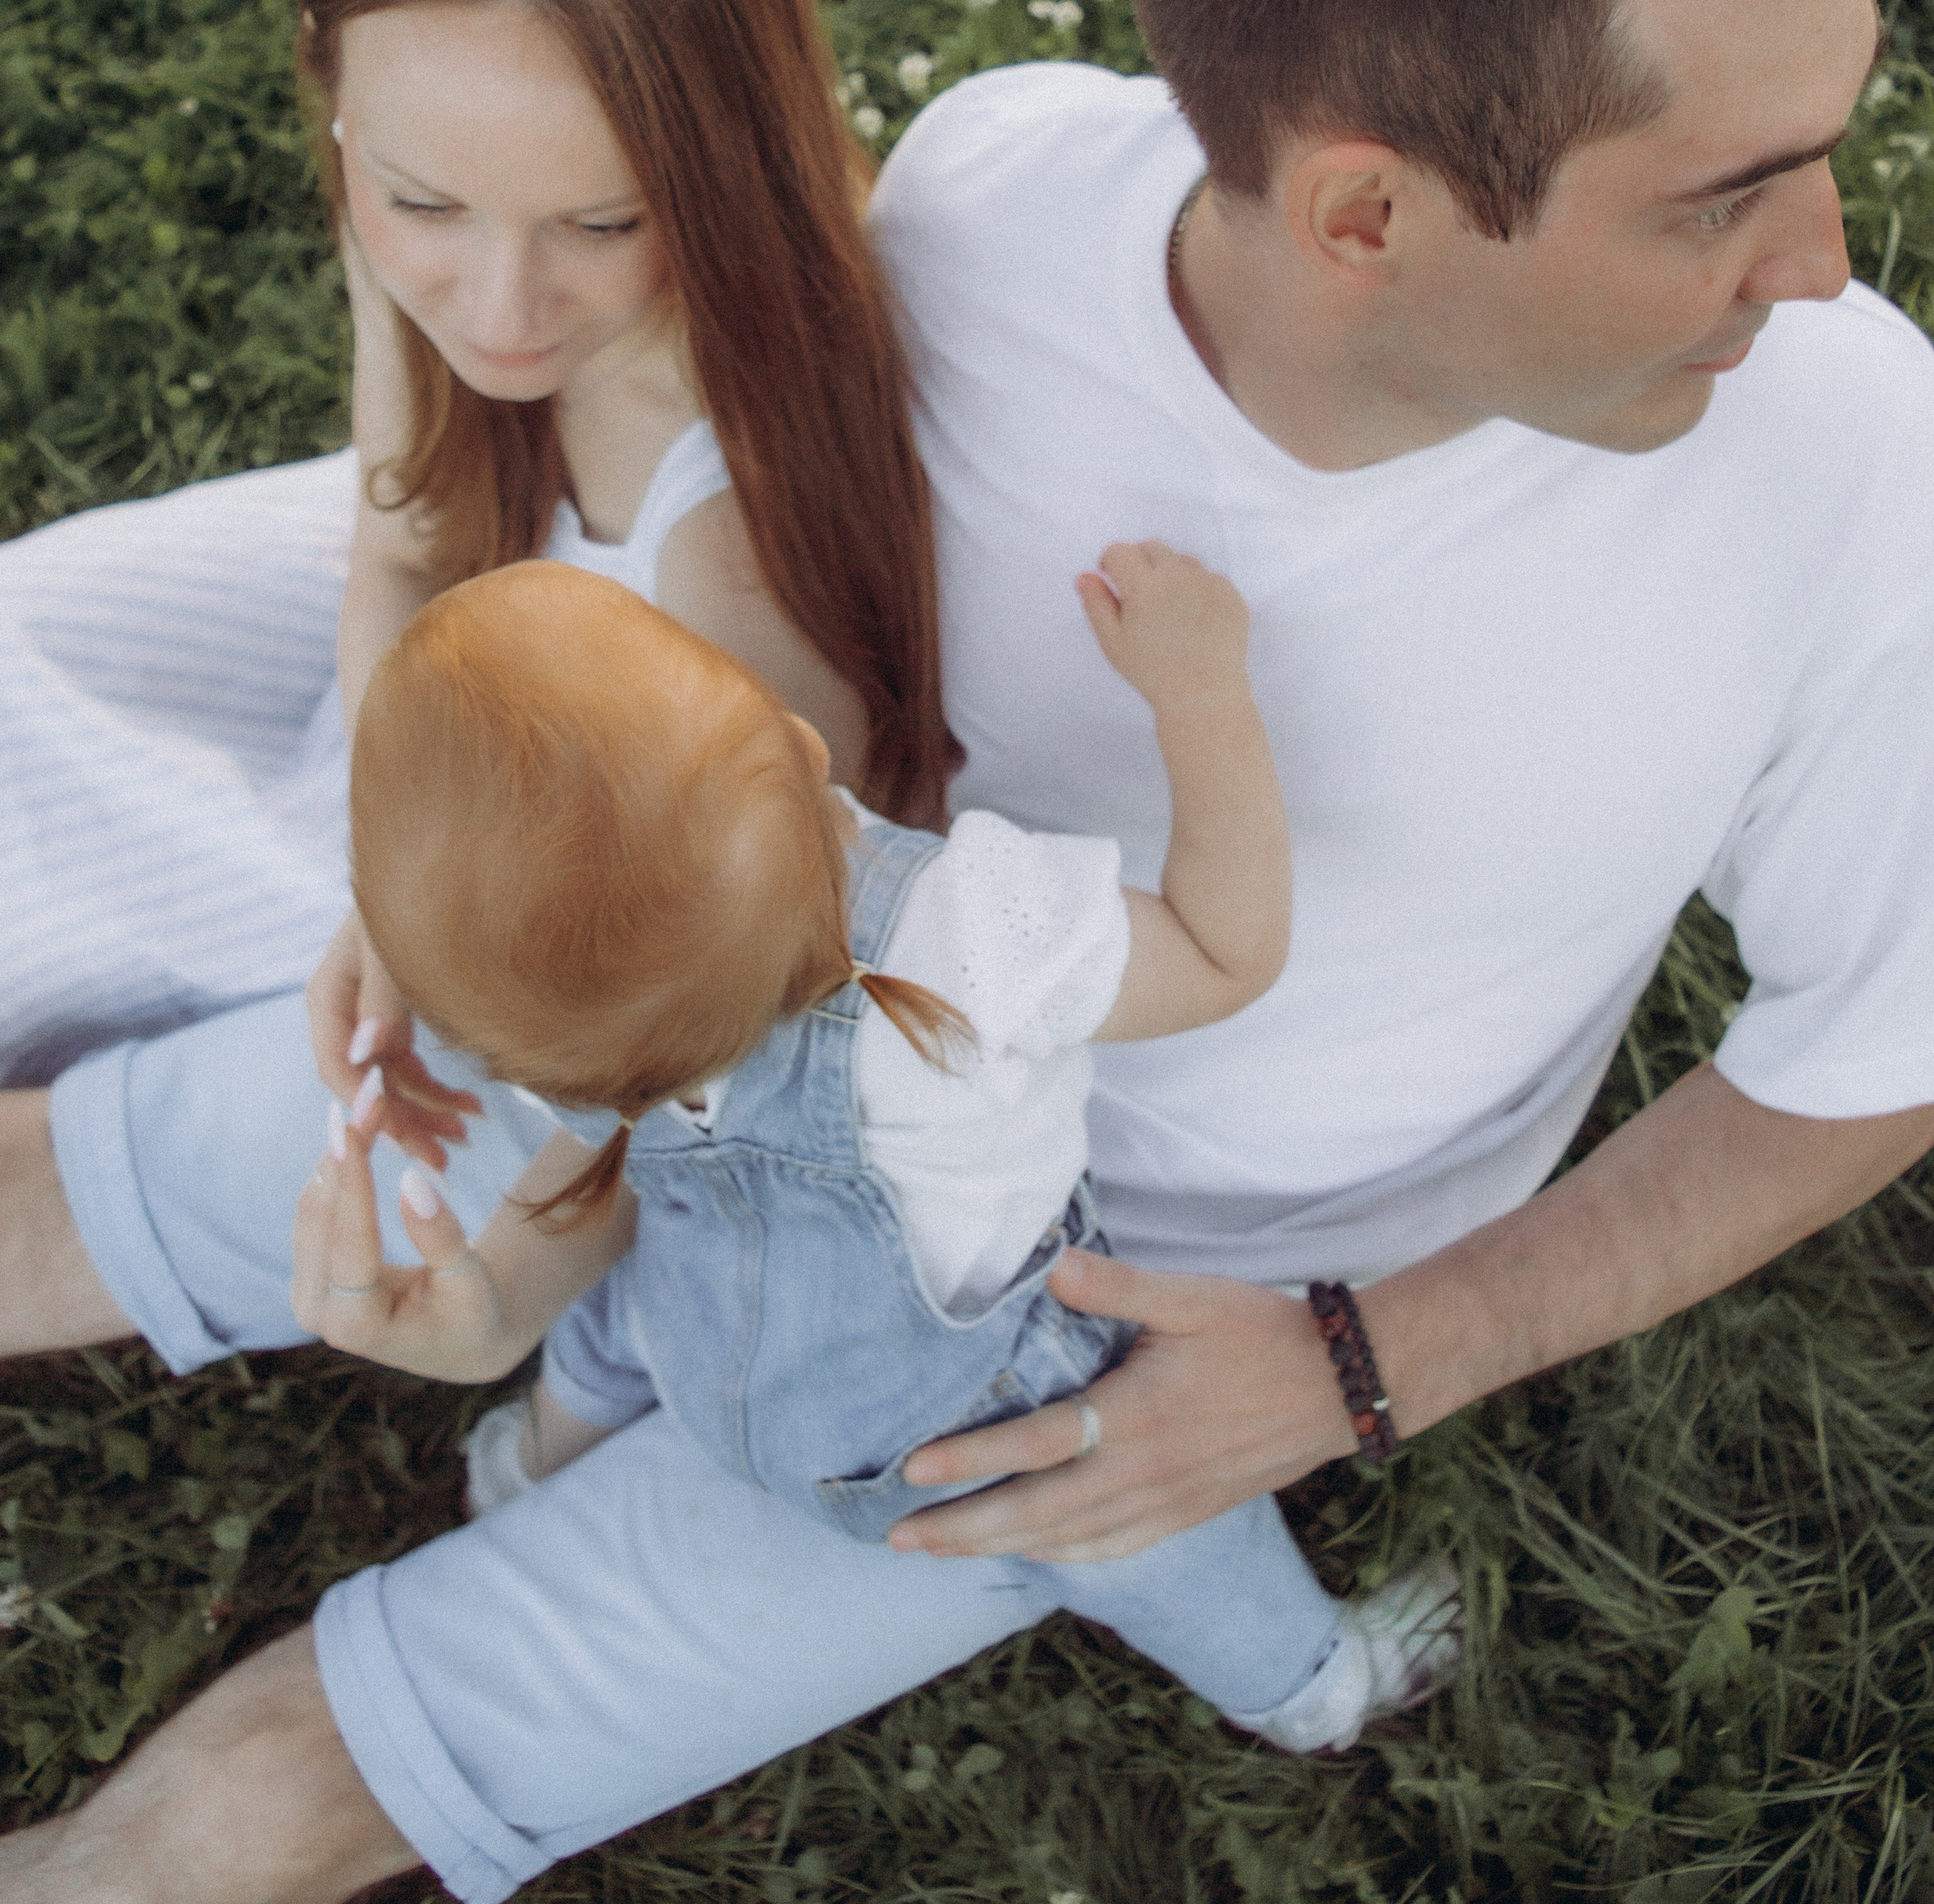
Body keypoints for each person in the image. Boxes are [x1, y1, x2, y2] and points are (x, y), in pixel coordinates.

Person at [5, 0, 1934, 1904]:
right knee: (122, 1172)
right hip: (747, 973)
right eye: (1727, 193)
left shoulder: (1857, 478)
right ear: (1358, 211)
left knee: (254, 1812)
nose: (1832, 259)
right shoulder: (1007, 192)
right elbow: (647, 394)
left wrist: (1360, 1362)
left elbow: (1878, 1055)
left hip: (1113, 1318)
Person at [294, 550, 1458, 1753]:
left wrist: (491, 1306)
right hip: (980, 1439)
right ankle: (1320, 1686)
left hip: (709, 1362)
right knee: (1159, 1537)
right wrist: (1200, 694)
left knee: (626, 1286)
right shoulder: (960, 934)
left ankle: (528, 1467)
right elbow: (1227, 952)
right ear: (801, 749)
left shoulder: (567, 1033)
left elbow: (602, 1176)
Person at [0, 0, 952, 1131]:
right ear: (329, 72)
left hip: (566, 886)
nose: (501, 312)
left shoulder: (724, 551)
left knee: (107, 959)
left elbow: (721, 1006)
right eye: (422, 205)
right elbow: (400, 534)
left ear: (721, 151)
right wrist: (378, 828)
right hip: (414, 700)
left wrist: (393, 900)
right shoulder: (423, 159)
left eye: (605, 219)